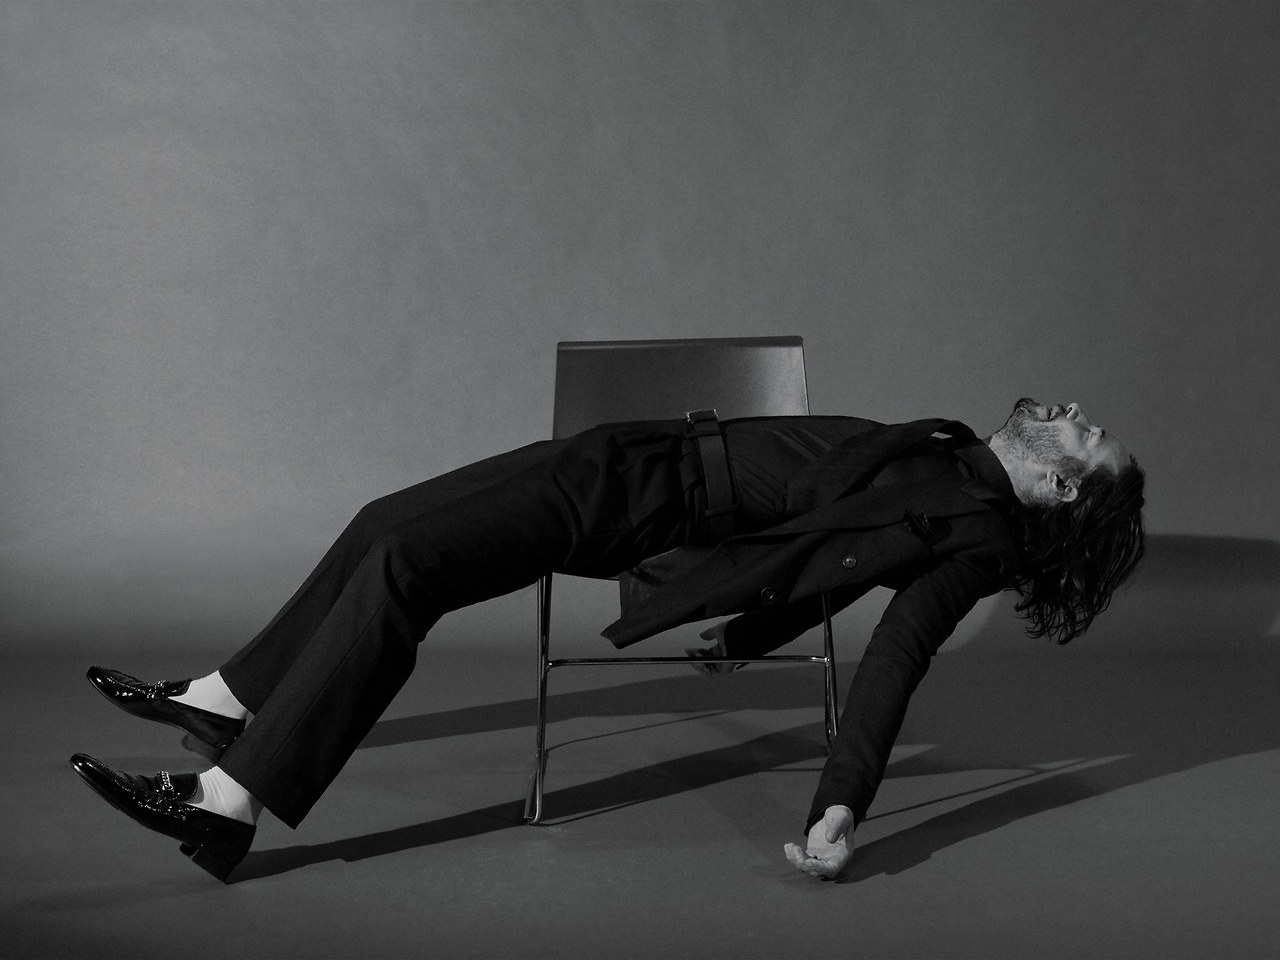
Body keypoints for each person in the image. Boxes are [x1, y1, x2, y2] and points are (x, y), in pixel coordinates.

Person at [69, 398, 1145, 882]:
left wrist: (842, 803)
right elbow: (842, 534)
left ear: (1061, 489)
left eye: (1086, 435)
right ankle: (230, 695)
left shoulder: (971, 537)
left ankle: (229, 805)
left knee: (407, 568)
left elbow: (897, 656)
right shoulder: (956, 463)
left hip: (645, 505)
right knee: (383, 522)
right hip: (636, 451)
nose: (1073, 411)